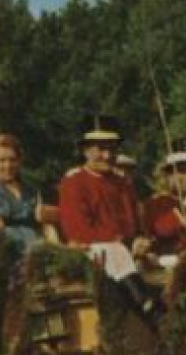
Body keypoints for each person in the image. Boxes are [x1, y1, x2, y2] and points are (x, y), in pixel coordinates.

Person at [57, 113, 161, 318]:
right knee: (113, 250)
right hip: (91, 251)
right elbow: (79, 231)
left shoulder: (122, 183)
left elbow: (134, 223)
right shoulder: (74, 182)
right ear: (86, 150)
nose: (107, 155)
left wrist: (140, 240)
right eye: (101, 149)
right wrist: (123, 242)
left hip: (125, 252)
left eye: (112, 149)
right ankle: (144, 304)